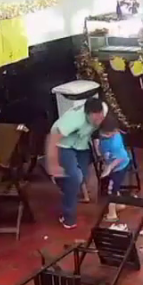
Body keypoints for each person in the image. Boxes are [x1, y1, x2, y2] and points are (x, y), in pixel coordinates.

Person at [45, 97, 105, 229]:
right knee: (74, 178)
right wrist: (53, 164)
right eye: (95, 120)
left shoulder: (103, 110)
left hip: (81, 143)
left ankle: (65, 184)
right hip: (63, 144)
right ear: (87, 115)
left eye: (100, 118)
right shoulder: (74, 120)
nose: (98, 122)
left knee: (82, 177)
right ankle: (68, 217)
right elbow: (53, 138)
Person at [96, 115, 132, 221]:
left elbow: (120, 158)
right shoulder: (104, 137)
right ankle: (119, 204)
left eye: (108, 134)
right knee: (115, 187)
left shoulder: (115, 142)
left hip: (119, 167)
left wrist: (108, 168)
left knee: (110, 190)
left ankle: (112, 214)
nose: (104, 135)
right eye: (103, 133)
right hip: (113, 163)